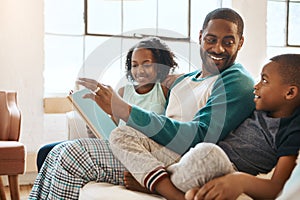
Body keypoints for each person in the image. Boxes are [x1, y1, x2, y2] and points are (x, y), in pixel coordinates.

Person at [29, 8, 255, 199]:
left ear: (241, 42)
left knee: (73, 155)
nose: (218, 49)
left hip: (180, 155)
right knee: (56, 153)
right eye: (211, 40)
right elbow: (165, 120)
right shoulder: (187, 79)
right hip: (152, 146)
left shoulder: (236, 80)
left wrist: (126, 111)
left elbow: (200, 134)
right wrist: (110, 111)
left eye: (229, 42)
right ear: (200, 37)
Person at [35, 36, 178, 172]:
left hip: (135, 152)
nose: (139, 70)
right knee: (45, 152)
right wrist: (90, 119)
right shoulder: (123, 92)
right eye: (134, 65)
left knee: (62, 153)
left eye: (147, 64)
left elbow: (168, 127)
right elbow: (111, 129)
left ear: (159, 66)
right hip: (112, 146)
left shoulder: (165, 90)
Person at [180, 54, 300, 200]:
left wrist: (240, 181)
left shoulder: (292, 130)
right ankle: (165, 180)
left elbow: (278, 187)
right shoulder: (256, 107)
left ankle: (164, 181)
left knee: (208, 152)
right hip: (204, 165)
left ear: (290, 92)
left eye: (264, 80)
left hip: (228, 169)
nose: (256, 86)